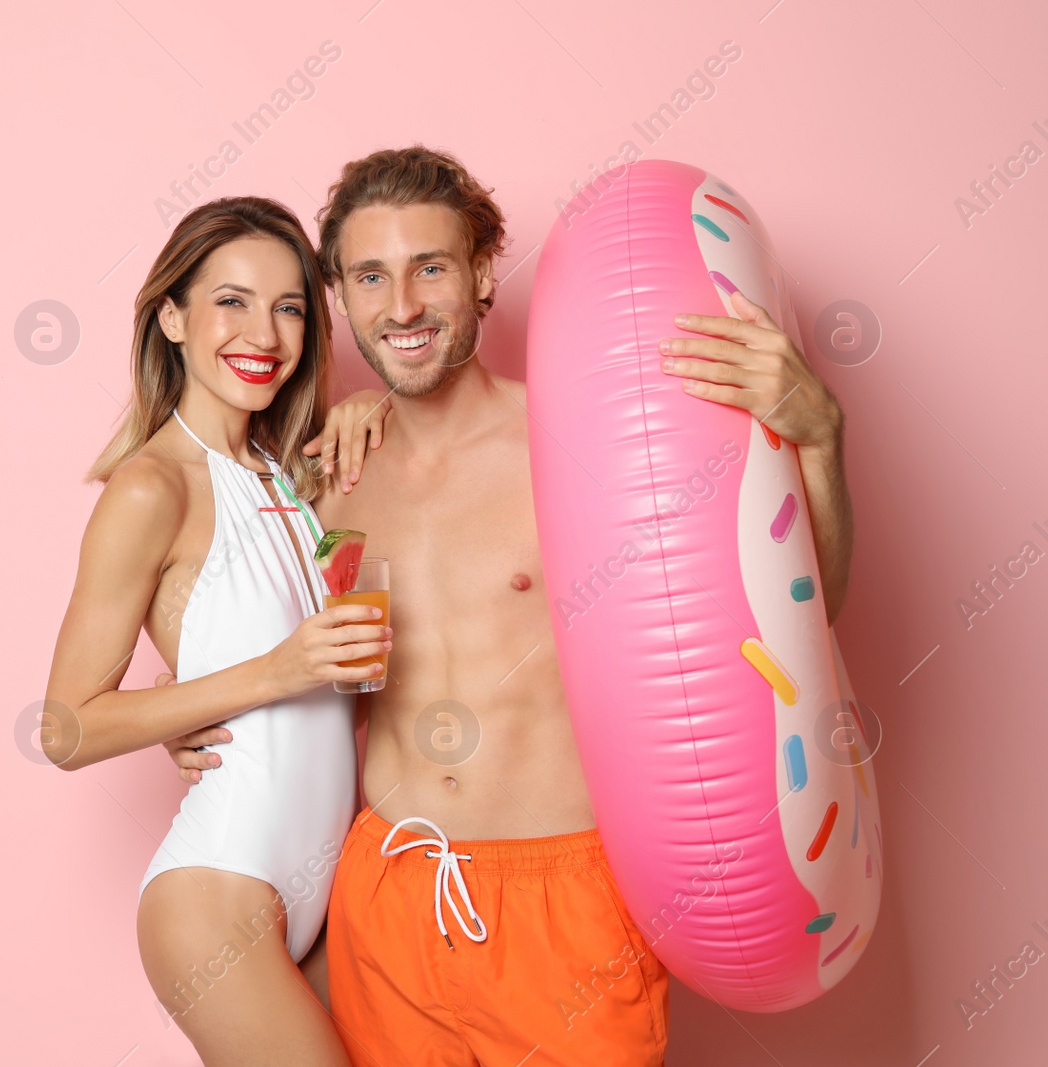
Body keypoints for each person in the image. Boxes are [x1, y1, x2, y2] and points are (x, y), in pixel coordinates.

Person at [166, 147, 854, 1065]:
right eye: (371, 275)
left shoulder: (588, 449)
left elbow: (804, 622)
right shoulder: (327, 478)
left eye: (431, 268)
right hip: (389, 897)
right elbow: (261, 639)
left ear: (485, 272)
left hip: (563, 902)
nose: (402, 306)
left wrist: (820, 443)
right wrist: (204, 719)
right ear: (341, 294)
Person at [42, 196, 390, 1066]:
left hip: (322, 891)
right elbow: (67, 725)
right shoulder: (152, 487)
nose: (263, 334)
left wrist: (367, 409)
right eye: (231, 301)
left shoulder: (288, 474)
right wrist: (273, 673)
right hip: (216, 892)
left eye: (289, 308)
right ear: (172, 316)